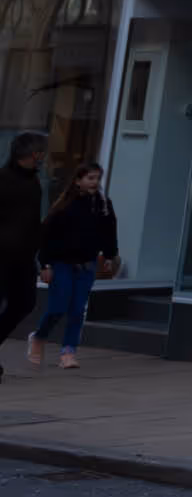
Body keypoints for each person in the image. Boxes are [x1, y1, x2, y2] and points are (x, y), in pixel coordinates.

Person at [35, 159, 116, 370]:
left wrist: (109, 255)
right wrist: (45, 265)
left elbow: (109, 231)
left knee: (78, 310)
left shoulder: (103, 204)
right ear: (78, 180)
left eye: (98, 179)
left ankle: (68, 352)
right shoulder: (64, 205)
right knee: (57, 307)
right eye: (90, 178)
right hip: (61, 263)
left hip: (86, 265)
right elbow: (47, 236)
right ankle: (39, 336)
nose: (95, 183)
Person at [0, 133, 41, 372]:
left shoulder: (33, 182)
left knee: (24, 303)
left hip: (24, 257)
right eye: (39, 152)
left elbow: (33, 220)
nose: (42, 157)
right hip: (1, 256)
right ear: (29, 154)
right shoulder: (3, 179)